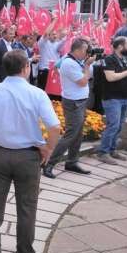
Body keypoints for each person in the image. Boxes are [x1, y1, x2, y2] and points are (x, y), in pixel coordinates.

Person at [0, 50, 60, 253]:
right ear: (25, 68)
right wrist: (48, 150)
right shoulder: (37, 93)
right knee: (26, 208)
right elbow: (55, 127)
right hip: (28, 157)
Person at [43, 38, 96, 178]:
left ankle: (72, 162)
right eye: (86, 50)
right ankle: (49, 164)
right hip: (73, 103)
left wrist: (87, 64)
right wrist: (86, 66)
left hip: (80, 102)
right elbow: (84, 82)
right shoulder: (68, 63)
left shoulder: (78, 61)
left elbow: (89, 74)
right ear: (77, 50)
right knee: (70, 135)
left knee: (78, 135)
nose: (87, 53)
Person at [97, 36, 127, 164]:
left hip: (125, 98)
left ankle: (112, 149)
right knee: (113, 125)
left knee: (120, 125)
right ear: (120, 47)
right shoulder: (109, 59)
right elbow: (110, 77)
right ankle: (103, 152)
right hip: (112, 99)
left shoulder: (125, 59)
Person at [37, 20, 64, 90]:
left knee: (53, 94)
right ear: (49, 35)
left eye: (55, 34)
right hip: (44, 72)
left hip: (55, 72)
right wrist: (54, 21)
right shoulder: (42, 43)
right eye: (53, 34)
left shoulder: (58, 44)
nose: (55, 36)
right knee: (43, 92)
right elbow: (46, 33)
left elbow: (64, 41)